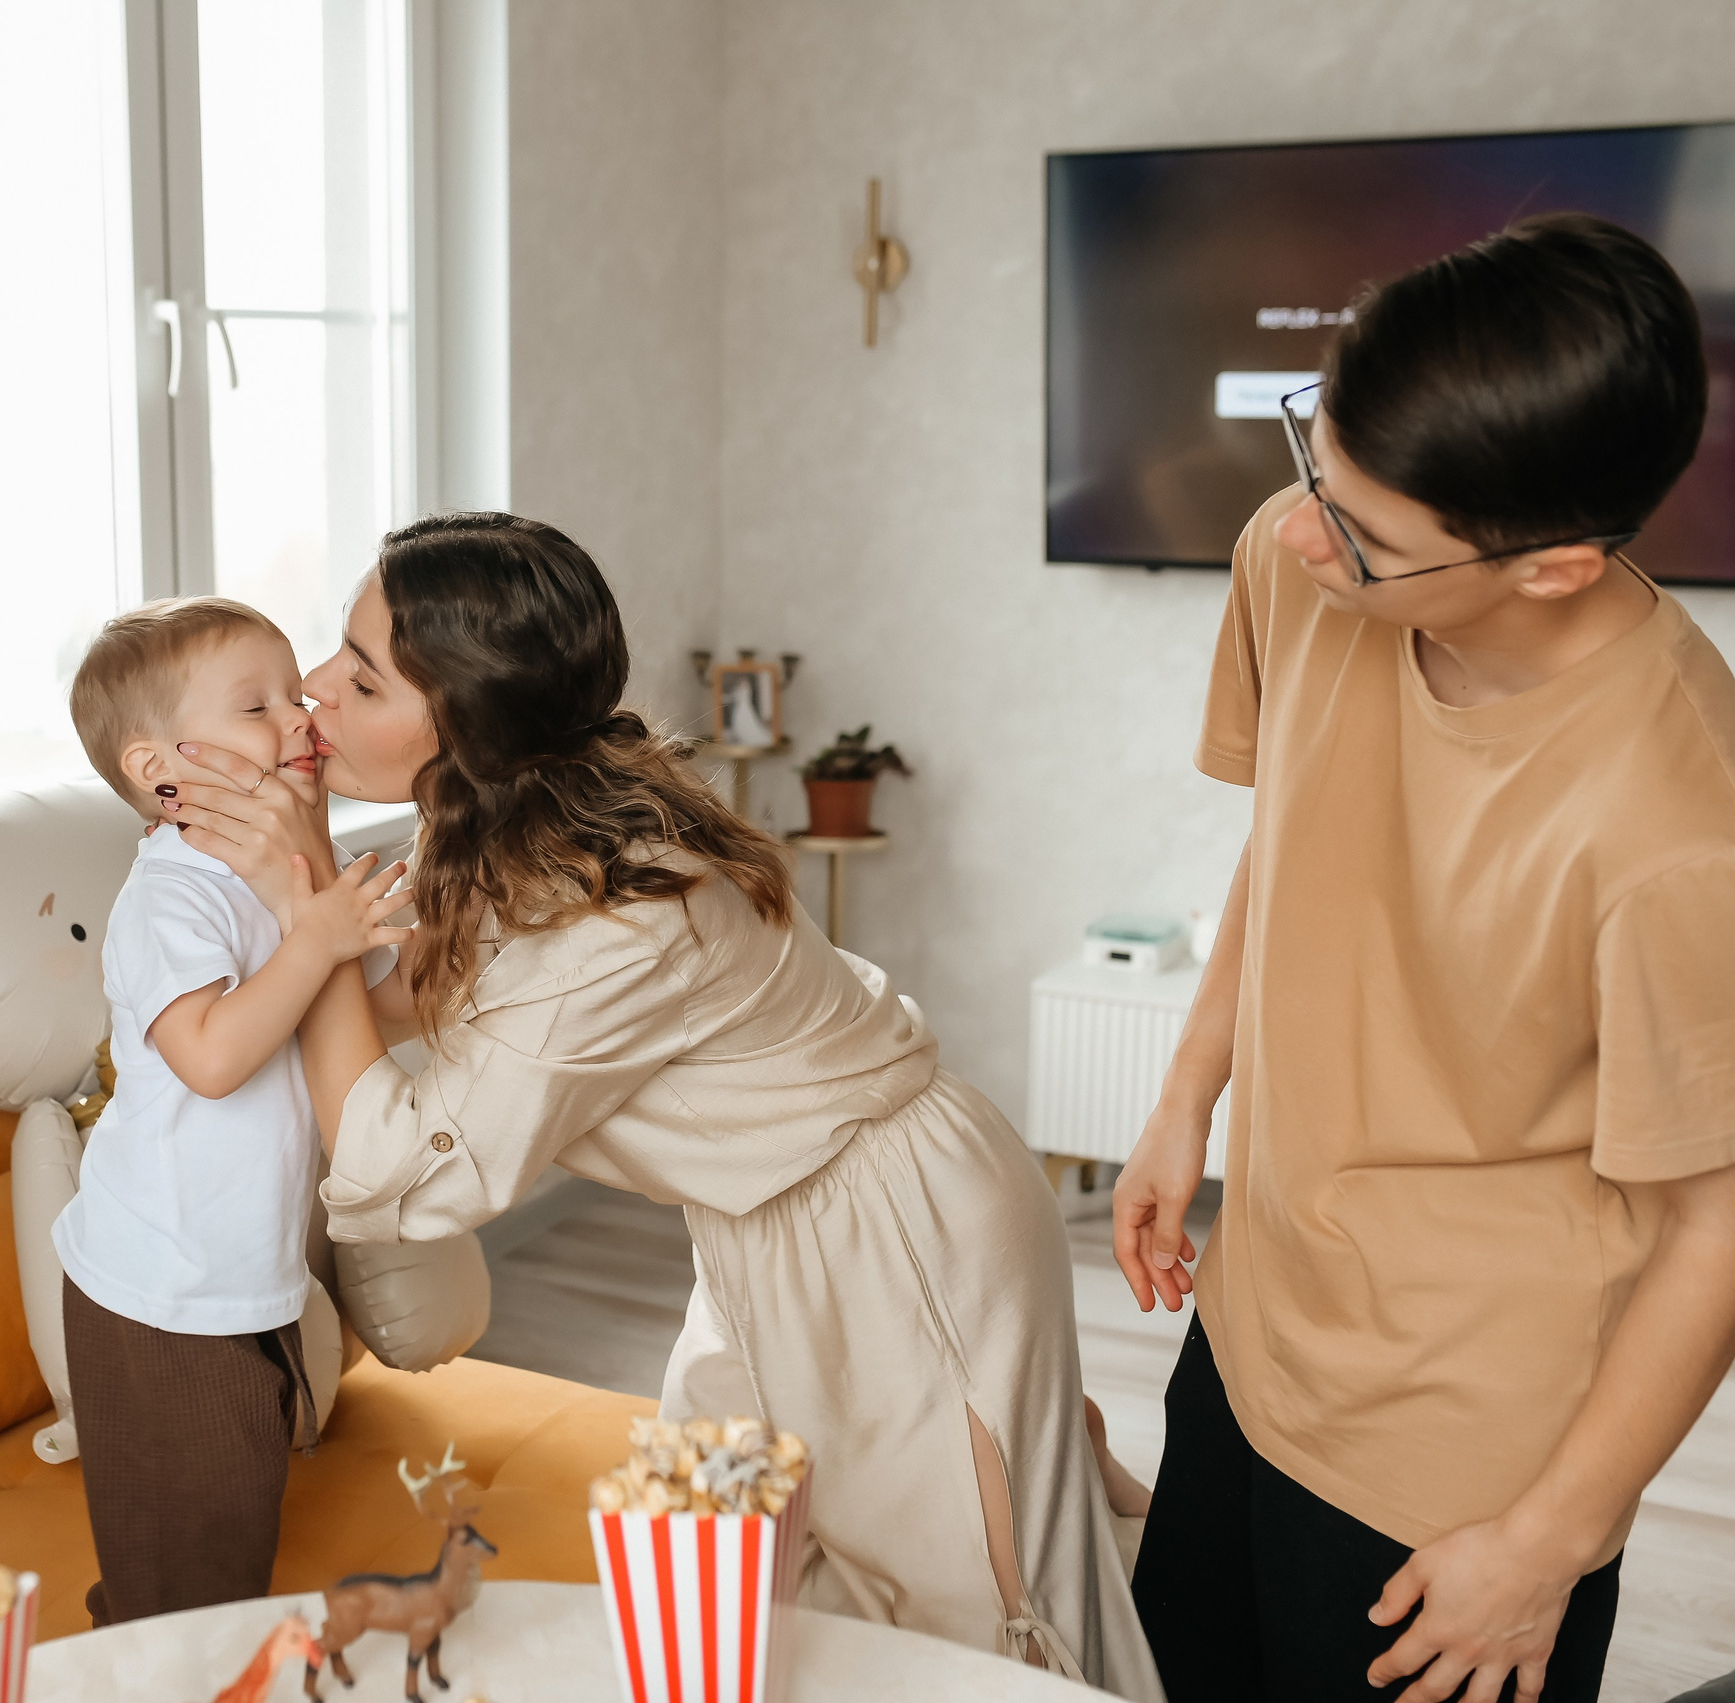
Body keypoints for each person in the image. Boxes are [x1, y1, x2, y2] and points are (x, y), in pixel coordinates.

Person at [155, 514, 1165, 1696]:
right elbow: (411, 998)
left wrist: (308, 901)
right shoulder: (514, 814)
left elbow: (405, 1163)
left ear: (469, 724)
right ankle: (1043, 1458)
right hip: (765, 1220)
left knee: (977, 1623)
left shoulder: (609, 908)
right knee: (724, 1571)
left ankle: (1032, 1467)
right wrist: (302, 933)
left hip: (894, 1229)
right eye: (339, 650)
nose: (316, 690)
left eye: (362, 677)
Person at [1112, 213, 1735, 1703]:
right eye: (1316, 463)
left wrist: (1550, 1540)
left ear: (1552, 565)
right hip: (1253, 1328)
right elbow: (1295, 833)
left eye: (1365, 533)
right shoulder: (1299, 554)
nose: (1305, 532)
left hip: (1458, 1458)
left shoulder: (1692, 828)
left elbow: (1733, 1222)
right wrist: (1185, 1094)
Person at [53, 597, 408, 1625]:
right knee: (188, 1571)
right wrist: (318, 936)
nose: (300, 717)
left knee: (229, 1524)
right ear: (158, 769)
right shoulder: (171, 895)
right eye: (258, 705)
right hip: (158, 1290)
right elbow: (209, 1056)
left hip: (237, 1276)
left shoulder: (273, 876)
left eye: (295, 693)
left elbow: (379, 1000)